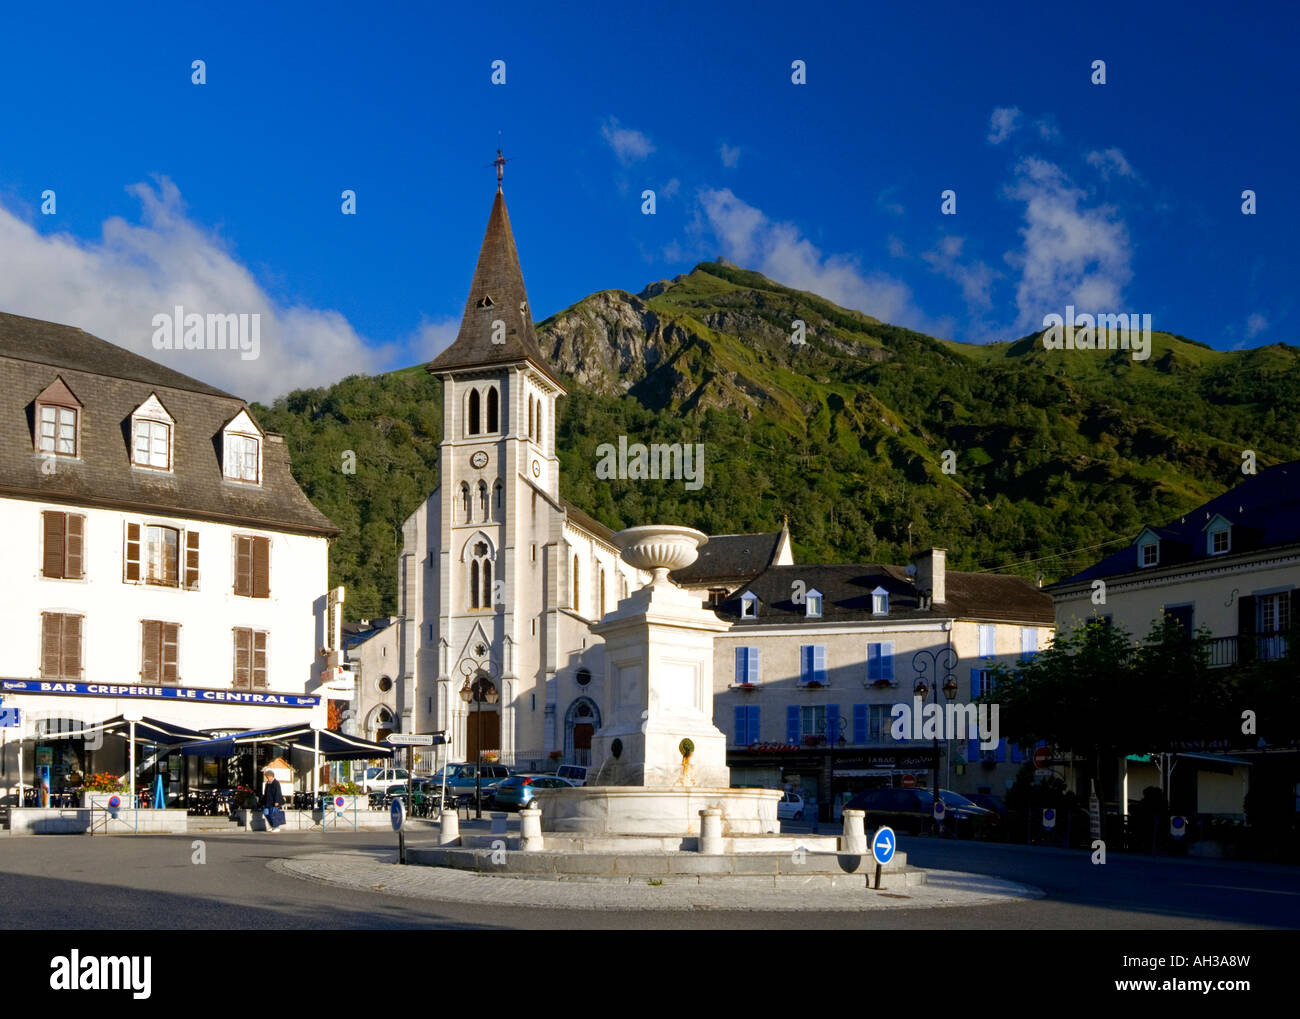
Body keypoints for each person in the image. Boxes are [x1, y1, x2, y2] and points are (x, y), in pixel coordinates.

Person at [261, 768, 284, 832]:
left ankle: (276, 827)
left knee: (273, 814)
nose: (267, 778)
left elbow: (278, 792)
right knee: (266, 813)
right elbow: (265, 793)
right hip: (267, 802)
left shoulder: (276, 783)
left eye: (267, 777)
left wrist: (277, 801)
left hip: (274, 802)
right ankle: (272, 825)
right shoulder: (267, 783)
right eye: (266, 777)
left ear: (271, 776)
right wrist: (263, 801)